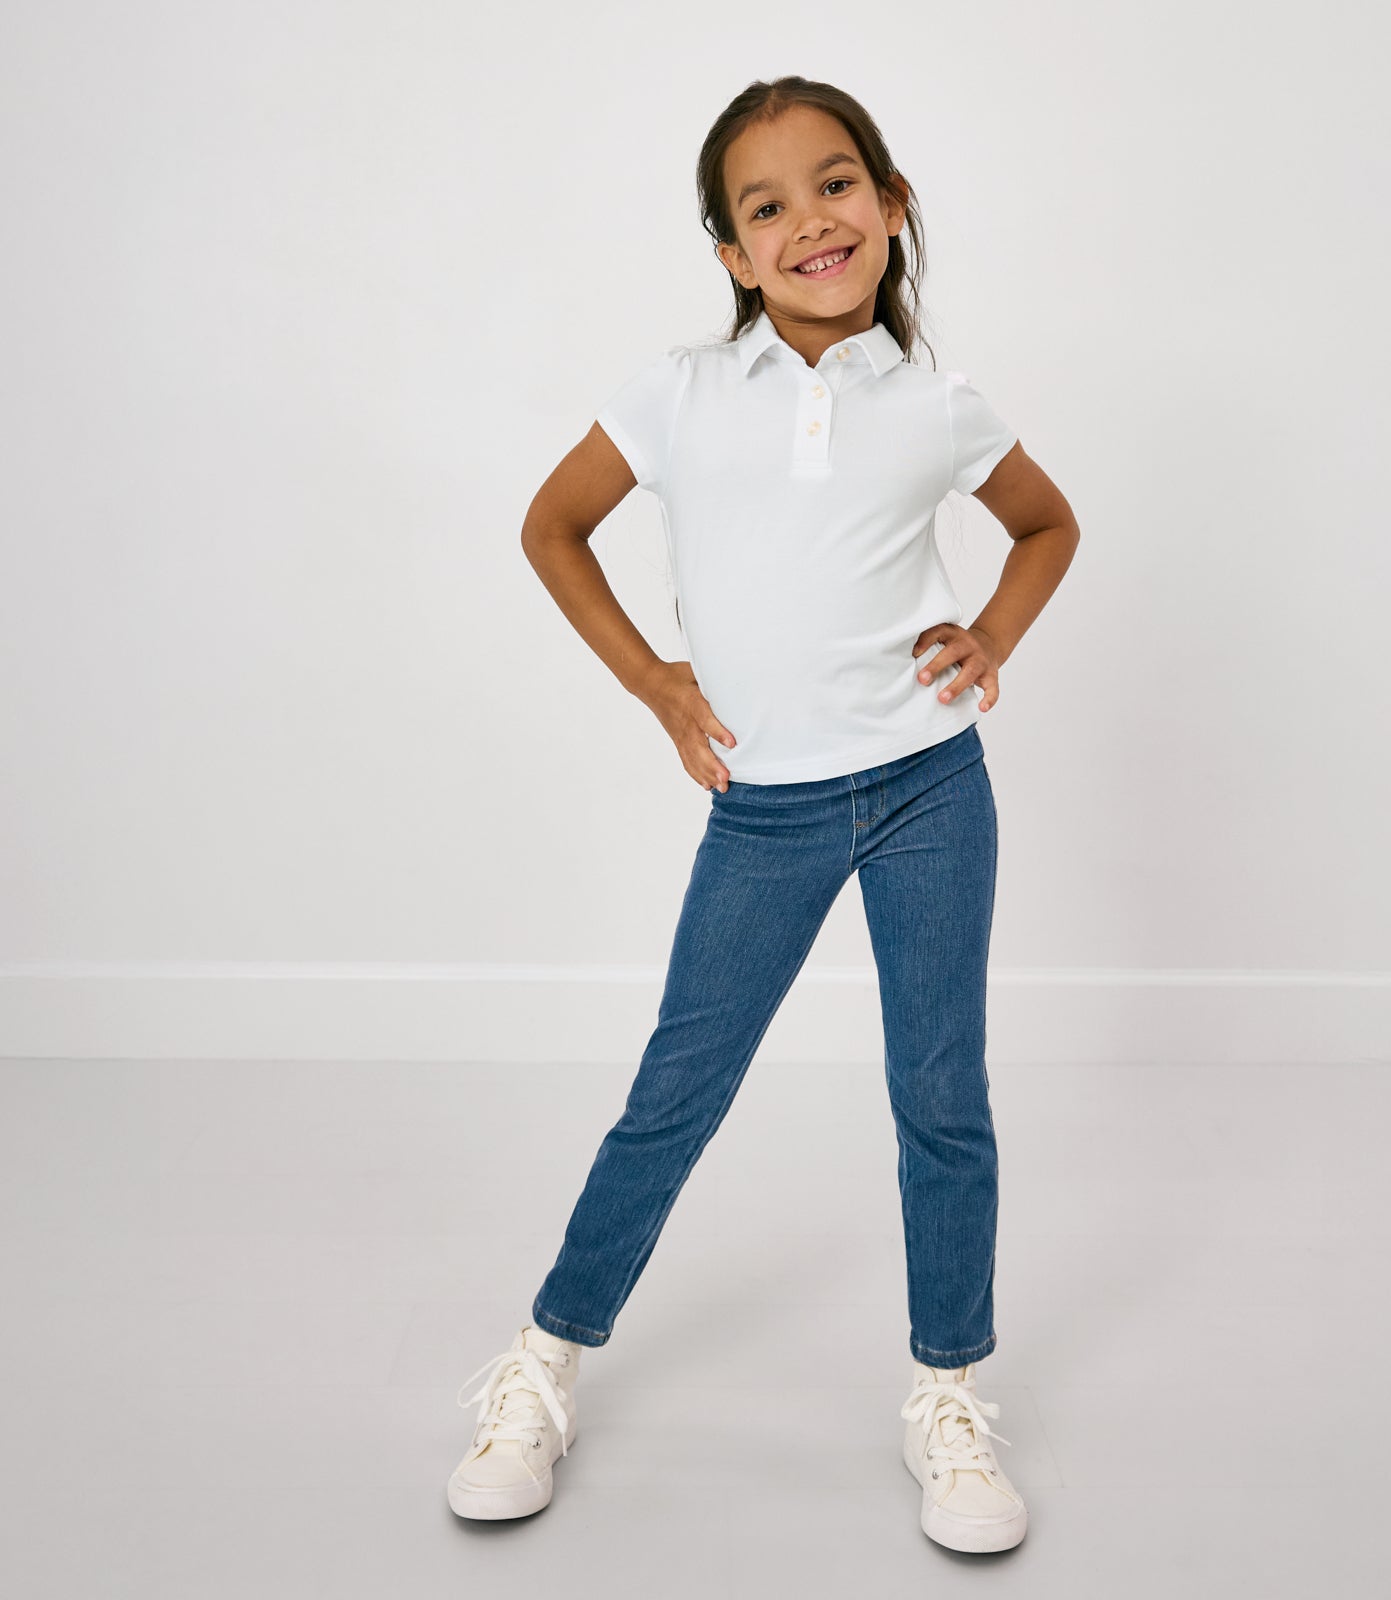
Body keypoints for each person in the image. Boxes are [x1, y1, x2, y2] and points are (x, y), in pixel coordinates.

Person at [447, 74, 1079, 1554]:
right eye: (768, 204)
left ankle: (949, 1394)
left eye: (836, 182)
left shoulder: (936, 402)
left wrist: (990, 635)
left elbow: (1050, 524)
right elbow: (552, 526)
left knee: (942, 1098)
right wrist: (662, 686)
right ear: (733, 254)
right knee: (678, 1095)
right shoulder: (676, 393)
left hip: (931, 789)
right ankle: (546, 1362)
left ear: (892, 203)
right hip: (769, 816)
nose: (810, 219)